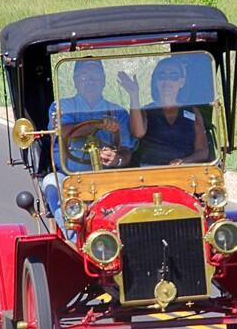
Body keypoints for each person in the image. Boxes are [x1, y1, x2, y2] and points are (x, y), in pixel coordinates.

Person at [42, 59, 139, 231]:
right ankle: (73, 237)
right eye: (84, 75)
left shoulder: (117, 112)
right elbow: (62, 131)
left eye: (95, 74)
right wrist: (97, 125)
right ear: (75, 80)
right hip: (70, 177)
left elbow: (126, 150)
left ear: (103, 80)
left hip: (108, 179)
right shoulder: (61, 106)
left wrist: (117, 159)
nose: (90, 79)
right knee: (51, 183)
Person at [126, 57, 209, 166]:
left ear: (182, 82)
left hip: (184, 171)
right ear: (155, 81)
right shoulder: (146, 111)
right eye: (162, 76)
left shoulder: (193, 111)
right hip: (150, 171)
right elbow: (138, 133)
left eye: (173, 76)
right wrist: (134, 94)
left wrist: (183, 162)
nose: (167, 81)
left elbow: (203, 151)